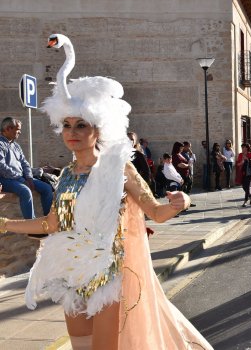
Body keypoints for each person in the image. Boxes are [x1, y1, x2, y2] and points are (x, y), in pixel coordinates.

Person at [0, 34, 213, 349]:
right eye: (67, 125)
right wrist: (5, 225)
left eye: (81, 125)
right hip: (71, 276)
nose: (72, 133)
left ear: (98, 129)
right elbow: (52, 224)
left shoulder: (118, 168)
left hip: (108, 278)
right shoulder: (68, 175)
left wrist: (182, 201)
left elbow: (156, 211)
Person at [0, 117, 53, 221]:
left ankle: (49, 220)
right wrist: (21, 179)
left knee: (46, 188)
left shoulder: (16, 146)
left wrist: (28, 177)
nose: (20, 132)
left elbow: (25, 163)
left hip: (21, 178)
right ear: (8, 129)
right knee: (25, 191)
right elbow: (2, 167)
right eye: (18, 129)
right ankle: (31, 225)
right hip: (5, 180)